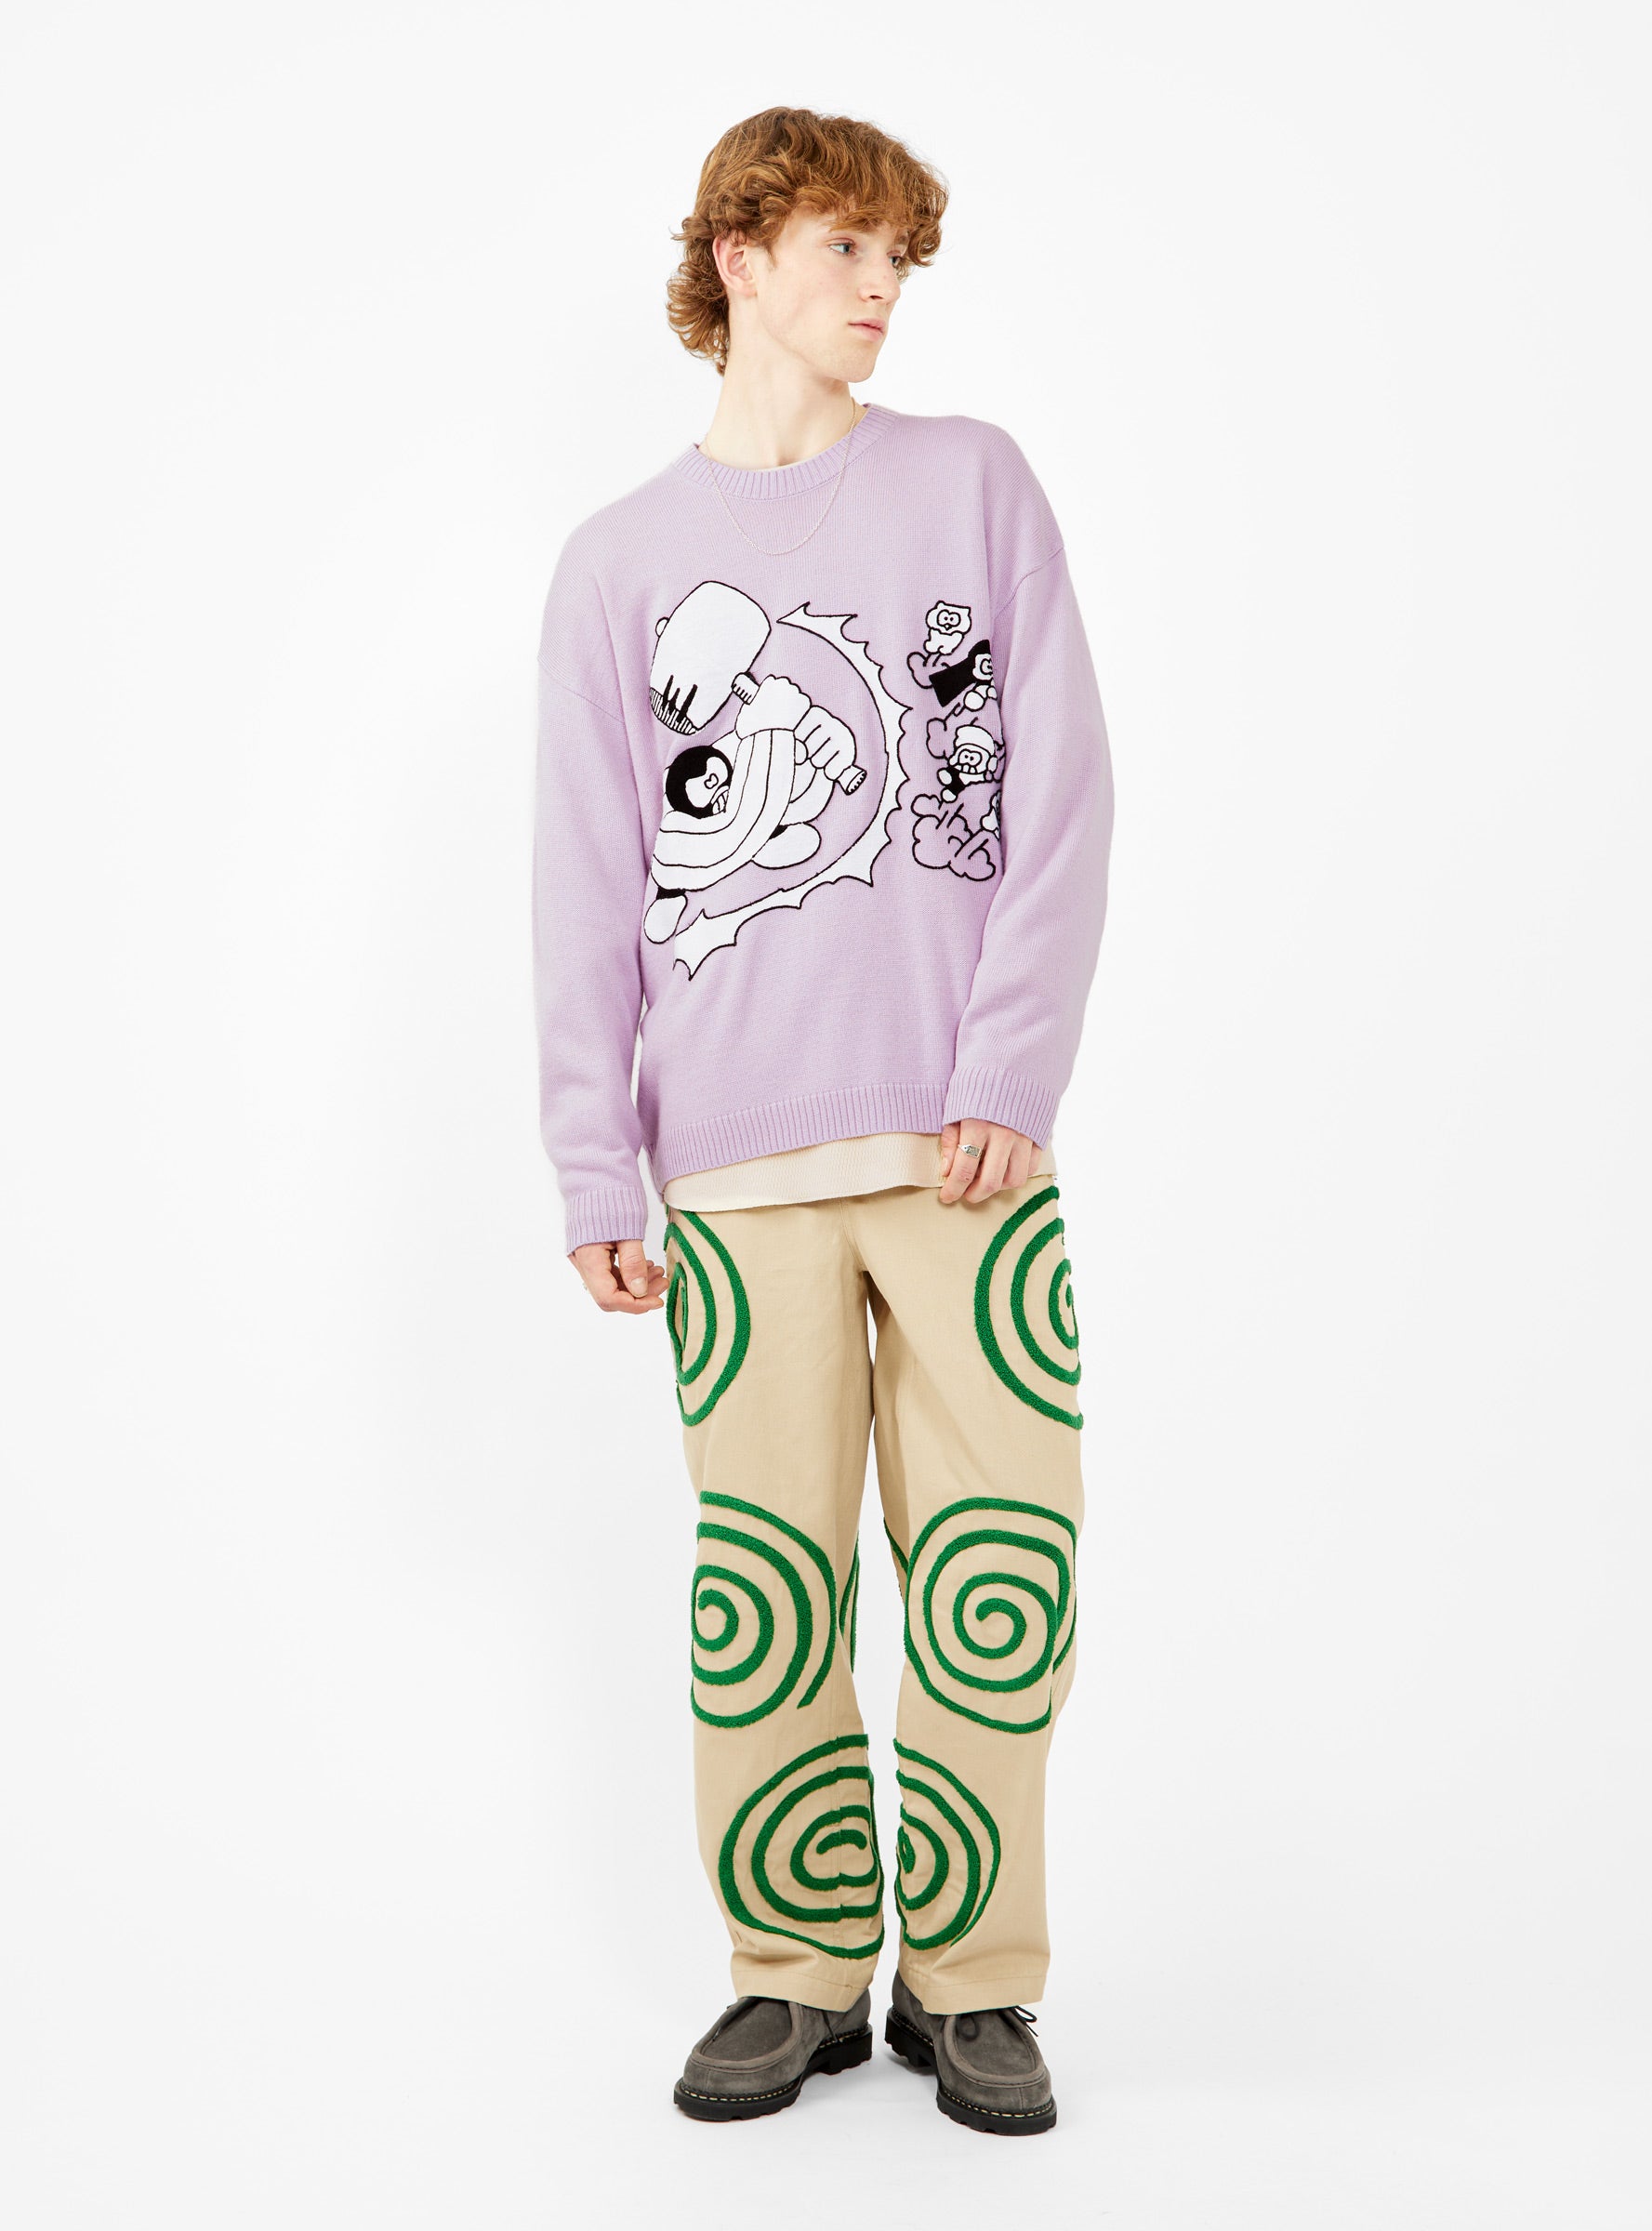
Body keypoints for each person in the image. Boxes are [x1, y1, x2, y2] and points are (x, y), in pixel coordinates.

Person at [532, 105, 1115, 2134]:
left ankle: (974, 1984)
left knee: (999, 1576)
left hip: (966, 1159)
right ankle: (789, 1974)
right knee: (762, 1591)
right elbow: (584, 882)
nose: (881, 289)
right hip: (730, 1172)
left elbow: (1061, 798)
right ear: (740, 258)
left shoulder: (971, 486)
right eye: (845, 248)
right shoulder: (616, 567)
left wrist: (1007, 1073)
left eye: (899, 258)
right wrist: (593, 1158)